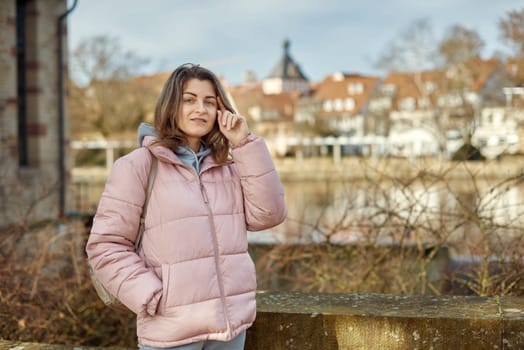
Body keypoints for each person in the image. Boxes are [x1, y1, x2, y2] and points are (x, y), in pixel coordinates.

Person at [85, 63, 287, 349]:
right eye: (189, 100)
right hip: (172, 332)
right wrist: (151, 296)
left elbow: (269, 215)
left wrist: (244, 143)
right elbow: (105, 245)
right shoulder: (138, 166)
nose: (200, 109)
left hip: (228, 330)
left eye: (208, 102)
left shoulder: (228, 167)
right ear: (171, 105)